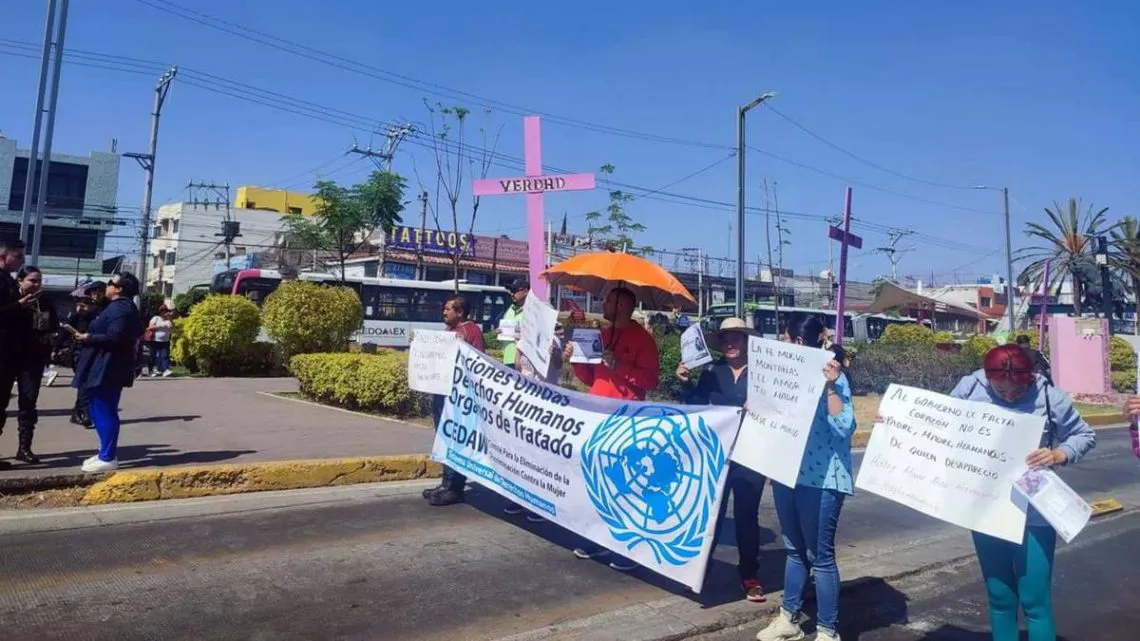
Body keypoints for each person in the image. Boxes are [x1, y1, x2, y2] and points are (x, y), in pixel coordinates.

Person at [946, 344, 1095, 641]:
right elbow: (937, 424)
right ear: (988, 378)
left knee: (1034, 601)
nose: (1009, 397)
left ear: (1030, 377)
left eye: (1017, 392)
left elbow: (1084, 435)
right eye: (1001, 392)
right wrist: (896, 424)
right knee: (1000, 597)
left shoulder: (1049, 396)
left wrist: (1058, 454)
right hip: (987, 509)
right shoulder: (969, 387)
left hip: (1035, 513)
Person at [757, 313, 853, 641]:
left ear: (798, 342)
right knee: (794, 550)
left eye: (784, 338)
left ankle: (827, 630)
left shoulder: (834, 377)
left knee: (820, 557)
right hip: (787, 473)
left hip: (823, 479)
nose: (780, 343)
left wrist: (830, 388)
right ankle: (789, 618)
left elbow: (842, 427)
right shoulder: (782, 376)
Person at [562, 286, 660, 572]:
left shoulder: (642, 340)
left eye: (608, 300)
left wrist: (621, 366)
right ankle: (598, 536)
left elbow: (651, 382)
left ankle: (627, 545)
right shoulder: (601, 335)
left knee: (623, 484)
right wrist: (576, 358)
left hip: (625, 420)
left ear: (624, 306)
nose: (603, 303)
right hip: (597, 417)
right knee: (597, 480)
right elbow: (588, 376)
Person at [678, 317, 767, 603]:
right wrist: (684, 383)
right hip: (716, 457)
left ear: (746, 341)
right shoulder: (711, 372)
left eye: (736, 338)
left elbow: (777, 412)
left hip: (751, 456)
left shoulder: (764, 374)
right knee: (710, 516)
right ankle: (699, 570)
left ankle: (750, 574)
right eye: (726, 339)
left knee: (746, 517)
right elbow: (695, 407)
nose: (730, 343)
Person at [72, 272, 143, 473]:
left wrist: (89, 337)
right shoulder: (116, 307)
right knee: (97, 407)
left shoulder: (121, 308)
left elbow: (116, 337)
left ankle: (108, 456)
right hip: (105, 364)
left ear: (119, 289)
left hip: (109, 366)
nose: (107, 286)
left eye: (111, 283)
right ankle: (104, 451)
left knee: (105, 409)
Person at [422, 295, 485, 507]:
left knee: (454, 438)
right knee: (443, 437)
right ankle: (446, 483)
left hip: (458, 396)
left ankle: (455, 488)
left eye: (448, 309)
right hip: (443, 391)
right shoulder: (450, 332)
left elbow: (478, 362)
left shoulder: (471, 331)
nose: (444, 312)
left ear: (460, 312)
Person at [504, 323, 565, 521]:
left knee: (541, 454)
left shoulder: (553, 341)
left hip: (546, 404)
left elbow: (558, 365)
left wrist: (554, 353)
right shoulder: (523, 341)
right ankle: (522, 497)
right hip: (526, 404)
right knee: (523, 452)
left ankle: (541, 502)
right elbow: (519, 368)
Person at [0, 267, 59, 463]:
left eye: (39, 281)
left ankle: (24, 448)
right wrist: (19, 306)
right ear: (21, 281)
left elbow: (53, 326)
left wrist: (50, 343)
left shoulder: (45, 302)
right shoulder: (10, 298)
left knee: (28, 403)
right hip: (8, 356)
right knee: (1, 404)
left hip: (33, 358)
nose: (36, 285)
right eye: (32, 281)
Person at [64, 296, 97, 427]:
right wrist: (55, 349)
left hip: (92, 352)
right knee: (84, 383)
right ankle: (84, 412)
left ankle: (76, 413)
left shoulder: (95, 318)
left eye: (83, 306)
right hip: (78, 353)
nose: (79, 308)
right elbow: (63, 333)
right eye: (78, 305)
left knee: (86, 383)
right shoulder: (76, 317)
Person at [498, 279, 528, 368]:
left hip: (523, 361)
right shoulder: (510, 309)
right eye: (511, 291)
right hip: (507, 358)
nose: (512, 294)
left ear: (525, 291)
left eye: (514, 291)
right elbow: (503, 329)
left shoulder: (532, 311)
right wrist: (499, 331)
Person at [146, 305, 175, 377]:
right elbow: (150, 327)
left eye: (166, 311)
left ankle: (165, 370)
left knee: (164, 356)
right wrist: (161, 326)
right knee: (152, 356)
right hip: (154, 340)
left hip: (165, 341)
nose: (165, 313)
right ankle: (151, 370)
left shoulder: (168, 320)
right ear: (161, 312)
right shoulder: (156, 318)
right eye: (164, 311)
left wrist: (170, 320)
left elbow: (172, 328)